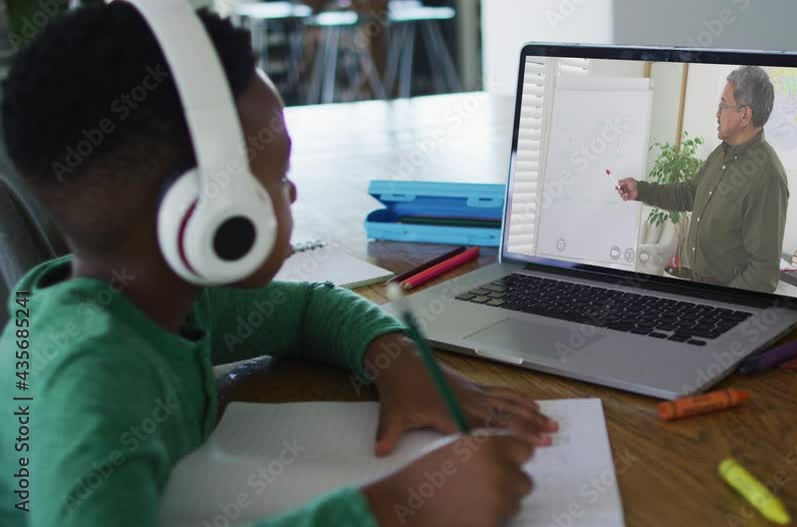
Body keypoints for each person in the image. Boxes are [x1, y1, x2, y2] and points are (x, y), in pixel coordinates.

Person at [0, 5, 555, 527]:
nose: (291, 192)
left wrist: (396, 359)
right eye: (276, 175)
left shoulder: (164, 298)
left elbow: (310, 307)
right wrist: (397, 509)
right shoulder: (90, 383)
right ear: (215, 212)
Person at [618, 65, 789, 293]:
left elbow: (763, 274)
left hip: (723, 297)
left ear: (745, 115)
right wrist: (641, 190)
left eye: (723, 105)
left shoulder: (768, 177)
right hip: (697, 285)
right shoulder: (721, 153)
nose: (717, 113)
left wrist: (721, 305)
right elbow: (688, 193)